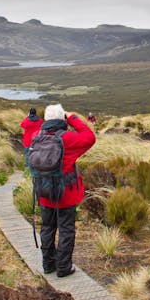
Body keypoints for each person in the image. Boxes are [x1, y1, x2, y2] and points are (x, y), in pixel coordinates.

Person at [38, 104, 96, 277]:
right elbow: (89, 137)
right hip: (66, 194)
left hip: (44, 191)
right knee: (66, 229)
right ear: (61, 118)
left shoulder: (37, 137)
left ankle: (48, 264)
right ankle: (63, 267)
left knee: (47, 228)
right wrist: (72, 117)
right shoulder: (68, 139)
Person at [20, 107, 43, 173]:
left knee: (27, 153)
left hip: (28, 140)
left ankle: (28, 167)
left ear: (30, 113)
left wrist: (27, 117)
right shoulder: (40, 120)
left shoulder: (27, 120)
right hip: (37, 140)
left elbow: (22, 125)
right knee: (37, 153)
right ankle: (37, 166)